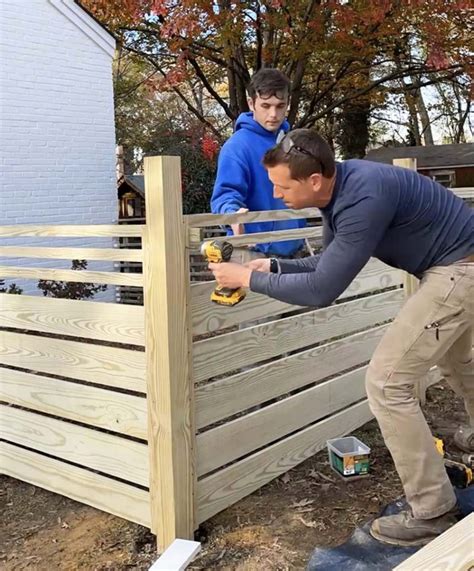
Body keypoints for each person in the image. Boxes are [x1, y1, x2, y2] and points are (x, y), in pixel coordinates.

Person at [209, 128, 474, 547]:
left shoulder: (363, 197)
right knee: (458, 363)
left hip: (461, 270)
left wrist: (245, 278)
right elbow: (324, 267)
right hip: (458, 264)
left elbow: (321, 291)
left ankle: (432, 511)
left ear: (313, 180)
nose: (277, 195)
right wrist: (268, 269)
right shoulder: (341, 191)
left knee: (387, 383)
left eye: (281, 186)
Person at [211, 68, 306, 263]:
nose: (274, 114)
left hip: (296, 251)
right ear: (251, 103)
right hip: (256, 254)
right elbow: (224, 197)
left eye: (280, 106)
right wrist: (232, 216)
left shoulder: (291, 141)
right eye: (266, 105)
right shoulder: (236, 147)